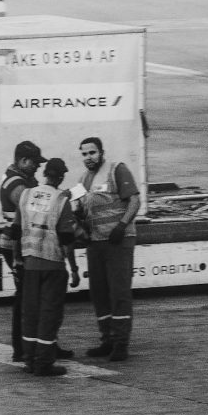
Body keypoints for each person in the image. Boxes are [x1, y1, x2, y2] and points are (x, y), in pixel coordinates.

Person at [75, 136, 142, 363]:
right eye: (84, 154)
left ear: (101, 152)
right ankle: (107, 340)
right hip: (96, 243)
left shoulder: (117, 169)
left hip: (117, 241)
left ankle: (121, 342)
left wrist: (122, 225)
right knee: (99, 293)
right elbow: (80, 209)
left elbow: (134, 200)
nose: (88, 157)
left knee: (119, 292)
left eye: (92, 153)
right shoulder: (83, 179)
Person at [11, 158, 77, 378]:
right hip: (53, 266)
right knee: (49, 315)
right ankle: (44, 363)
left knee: (30, 314)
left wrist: (16, 259)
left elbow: (15, 230)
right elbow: (67, 239)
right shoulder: (61, 200)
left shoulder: (26, 195)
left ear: (45, 174)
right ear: (59, 177)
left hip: (30, 264)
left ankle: (29, 360)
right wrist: (74, 269)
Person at [0, 140, 45, 362]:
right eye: (35, 163)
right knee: (25, 297)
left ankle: (42, 342)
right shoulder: (15, 184)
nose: (38, 167)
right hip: (15, 246)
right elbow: (33, 207)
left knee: (35, 295)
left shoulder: (25, 179)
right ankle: (21, 348)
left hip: (25, 244)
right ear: (23, 161)